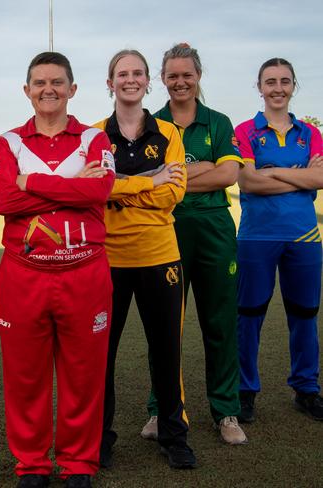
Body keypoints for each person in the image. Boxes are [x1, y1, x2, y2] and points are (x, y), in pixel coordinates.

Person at [0, 52, 115, 488]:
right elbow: (4, 201)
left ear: (73, 89)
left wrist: (31, 183)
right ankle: (32, 465)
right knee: (26, 375)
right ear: (26, 90)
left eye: (58, 82)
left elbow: (99, 189)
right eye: (40, 82)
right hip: (24, 275)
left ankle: (79, 462)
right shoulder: (7, 142)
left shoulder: (95, 139)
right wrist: (71, 188)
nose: (49, 89)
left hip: (85, 273)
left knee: (84, 373)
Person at [138, 43, 247, 445]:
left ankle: (226, 411)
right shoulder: (151, 123)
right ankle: (160, 409)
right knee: (165, 326)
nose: (180, 82)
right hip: (164, 227)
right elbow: (146, 180)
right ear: (161, 80)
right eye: (172, 75)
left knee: (219, 322)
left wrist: (176, 176)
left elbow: (228, 175)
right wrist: (202, 168)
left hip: (215, 229)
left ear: (198, 76)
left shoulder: (218, 122)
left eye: (187, 74)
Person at [94, 49, 196, 469]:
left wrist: (123, 185)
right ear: (110, 82)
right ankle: (99, 440)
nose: (130, 79)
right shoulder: (95, 134)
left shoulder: (168, 132)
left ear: (147, 80)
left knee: (166, 350)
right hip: (108, 258)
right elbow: (96, 189)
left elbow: (173, 191)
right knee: (102, 354)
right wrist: (146, 181)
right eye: (122, 73)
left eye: (137, 73)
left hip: (159, 256)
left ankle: (173, 435)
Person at [234, 58, 323, 423]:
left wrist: (273, 171)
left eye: (285, 81)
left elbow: (320, 179)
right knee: (249, 314)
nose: (277, 87)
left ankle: (306, 389)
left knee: (304, 313)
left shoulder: (310, 133)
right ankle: (245, 391)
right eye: (270, 81)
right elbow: (248, 182)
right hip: (257, 235)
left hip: (304, 235)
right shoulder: (244, 131)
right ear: (260, 87)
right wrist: (298, 175)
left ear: (293, 86)